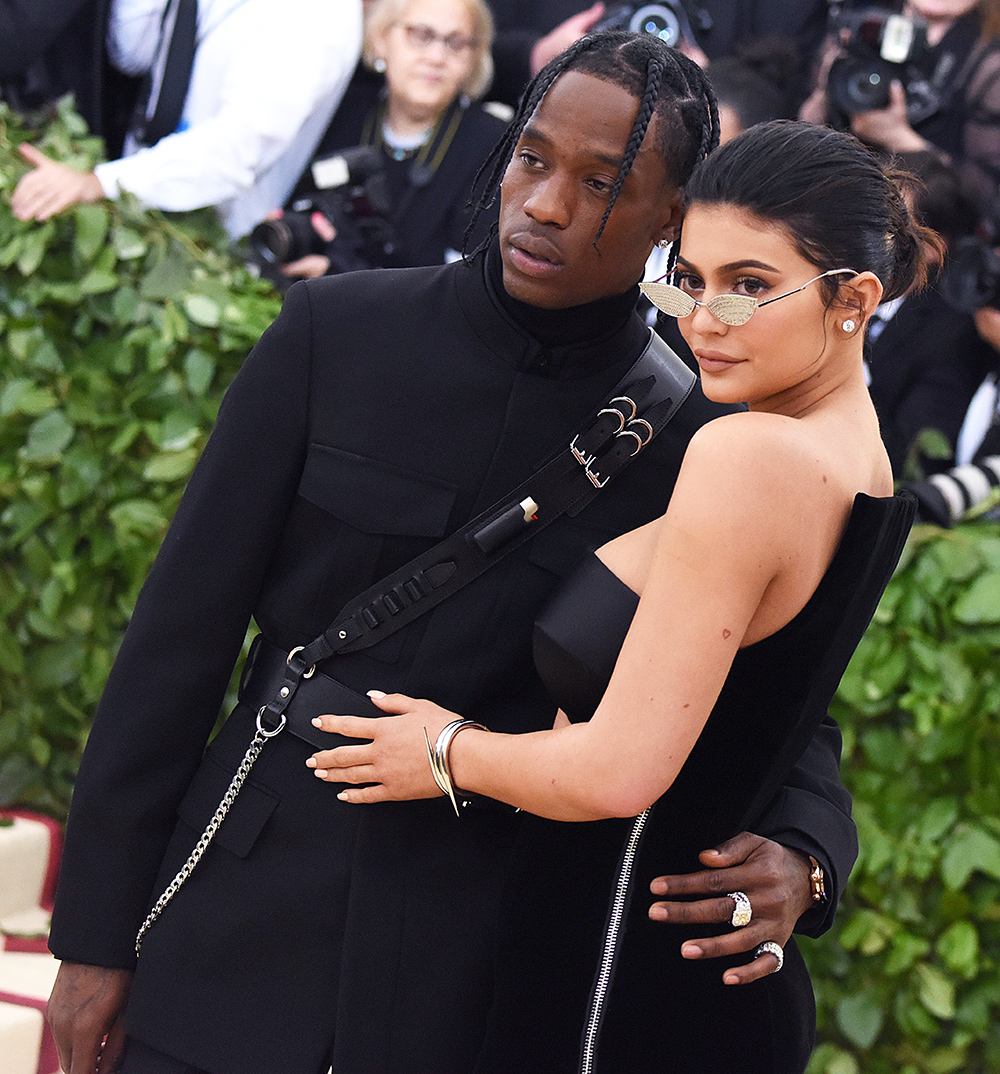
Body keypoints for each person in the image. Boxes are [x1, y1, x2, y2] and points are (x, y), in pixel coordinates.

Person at [45, 33, 858, 1074]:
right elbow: (173, 650)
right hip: (236, 926)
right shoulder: (329, 336)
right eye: (532, 158)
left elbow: (783, 707)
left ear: (672, 217)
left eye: (601, 182)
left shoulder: (702, 442)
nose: (546, 204)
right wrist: (93, 940)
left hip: (484, 974)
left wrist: (804, 855)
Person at [307, 119, 924, 1072]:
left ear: (854, 300)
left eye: (752, 286)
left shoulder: (747, 454)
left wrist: (441, 749)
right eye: (692, 277)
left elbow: (619, 774)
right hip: (663, 968)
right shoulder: (858, 459)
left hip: (617, 978)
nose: (703, 319)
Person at [9, 0, 362, 239]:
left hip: (209, 246)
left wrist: (98, 184)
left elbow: (233, 153)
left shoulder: (319, 16)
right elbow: (131, 53)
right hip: (131, 204)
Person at [276, 0, 508, 279]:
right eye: (421, 35)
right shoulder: (342, 109)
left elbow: (464, 285)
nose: (436, 56)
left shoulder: (492, 142)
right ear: (381, 38)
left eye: (456, 43)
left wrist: (337, 274)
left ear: (473, 58)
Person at [801, 0, 1000, 216]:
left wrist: (901, 139)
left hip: (922, 225)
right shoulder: (858, 22)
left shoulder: (988, 63)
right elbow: (799, 129)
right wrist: (826, 93)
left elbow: (986, 197)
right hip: (825, 198)